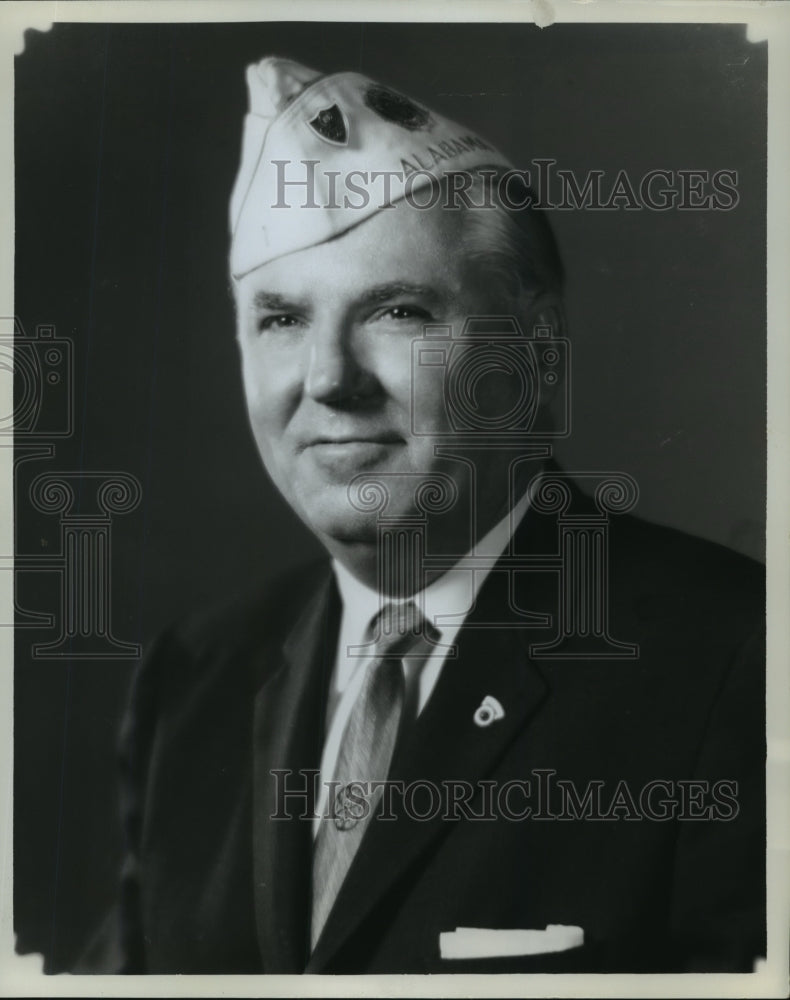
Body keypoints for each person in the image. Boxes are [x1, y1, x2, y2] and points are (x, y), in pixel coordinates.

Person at [105, 57, 765, 974]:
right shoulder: (194, 684)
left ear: (535, 352)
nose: (330, 380)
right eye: (282, 319)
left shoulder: (738, 664)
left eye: (400, 311)